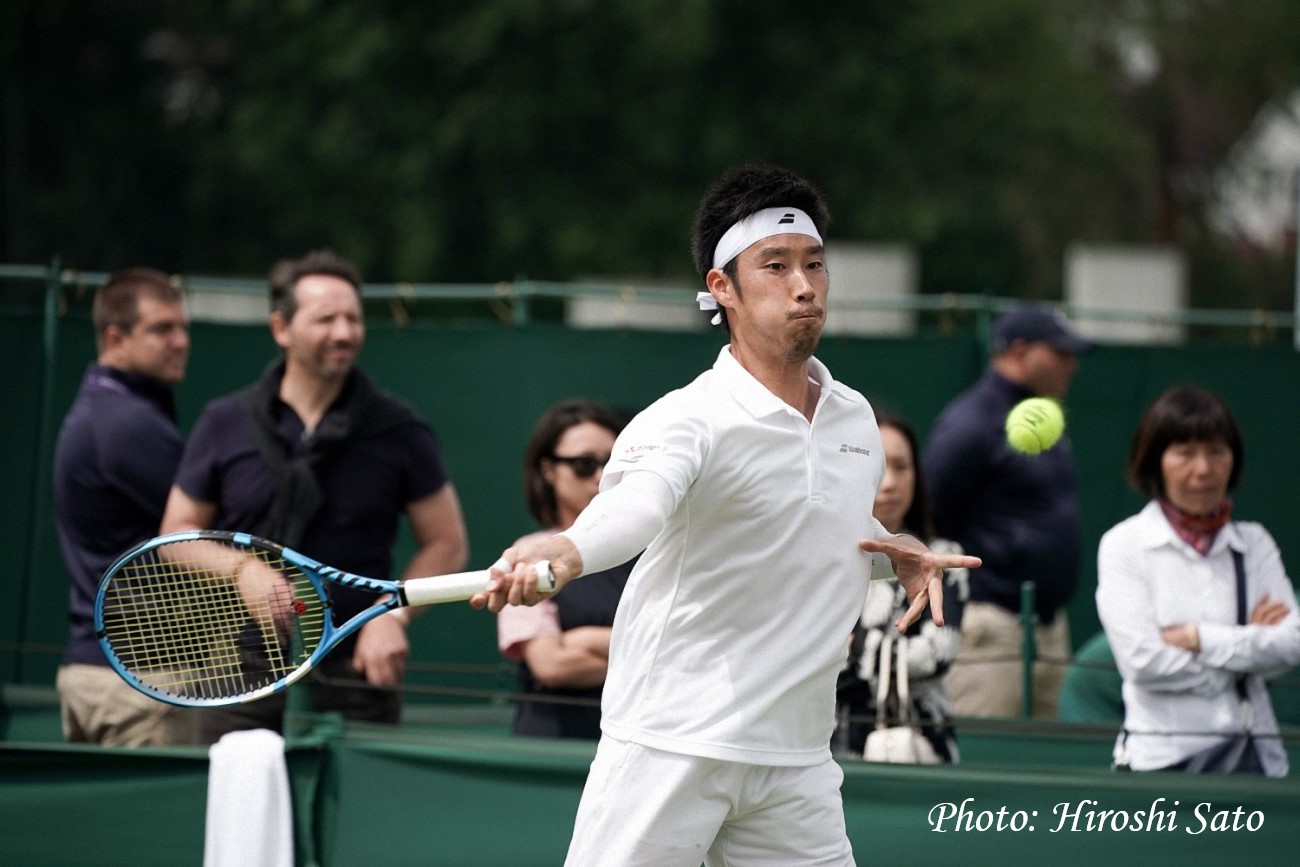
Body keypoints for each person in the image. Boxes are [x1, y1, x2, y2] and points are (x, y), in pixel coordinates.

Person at [473, 164, 980, 867]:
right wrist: (564, 554)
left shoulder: (855, 418)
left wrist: (894, 546)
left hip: (795, 757)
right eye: (775, 266)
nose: (803, 285)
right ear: (722, 288)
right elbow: (634, 506)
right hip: (671, 742)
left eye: (814, 264)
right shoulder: (686, 419)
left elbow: (815, 524)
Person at [160, 248, 469, 744]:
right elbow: (175, 534)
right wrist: (245, 570)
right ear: (281, 328)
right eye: (326, 319)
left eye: (353, 318)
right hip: (235, 671)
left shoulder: (400, 429)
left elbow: (447, 542)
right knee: (235, 821)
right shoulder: (225, 421)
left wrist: (393, 613)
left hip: (357, 675)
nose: (345, 333)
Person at [1096, 386, 1300, 776]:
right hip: (1160, 764)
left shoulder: (1254, 542)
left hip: (1257, 759)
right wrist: (1246, 655)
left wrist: (1197, 638)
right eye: (1185, 453)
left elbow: (1291, 643)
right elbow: (1143, 663)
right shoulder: (1123, 545)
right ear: (1156, 462)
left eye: (1217, 452)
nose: (1204, 469)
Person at [923, 305, 1094, 718]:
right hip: (991, 630)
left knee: (1043, 768)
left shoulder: (1039, 416)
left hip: (1049, 629)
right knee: (982, 767)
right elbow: (928, 512)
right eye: (1059, 353)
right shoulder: (970, 423)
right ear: (1020, 352)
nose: (1071, 365)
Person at [53, 267, 196, 746]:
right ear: (115, 337)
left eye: (183, 328)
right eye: (162, 329)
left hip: (95, 677)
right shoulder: (126, 424)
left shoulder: (100, 408)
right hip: (139, 688)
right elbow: (211, 528)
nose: (180, 341)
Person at [498, 399, 637, 739]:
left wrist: (586, 640)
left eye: (613, 462)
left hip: (636, 748)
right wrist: (646, 659)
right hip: (553, 753)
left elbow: (683, 654)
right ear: (549, 470)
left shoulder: (655, 551)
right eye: (583, 464)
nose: (601, 476)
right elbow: (551, 665)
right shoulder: (527, 552)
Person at [833, 410, 968, 762]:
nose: (890, 482)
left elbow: (936, 655)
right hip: (822, 749)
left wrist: (850, 649)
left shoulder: (944, 559)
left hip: (918, 748)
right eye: (878, 467)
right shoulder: (820, 559)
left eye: (902, 466)